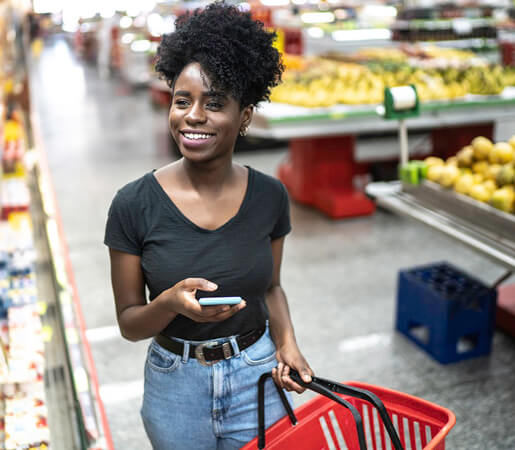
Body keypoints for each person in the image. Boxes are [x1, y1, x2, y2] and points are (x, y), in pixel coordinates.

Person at [104, 3, 313, 449]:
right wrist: (171, 304)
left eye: (214, 103)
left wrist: (288, 343)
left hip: (257, 374)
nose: (193, 116)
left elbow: (271, 287)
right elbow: (130, 323)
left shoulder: (269, 196)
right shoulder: (133, 204)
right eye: (183, 101)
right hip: (175, 385)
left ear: (245, 116)